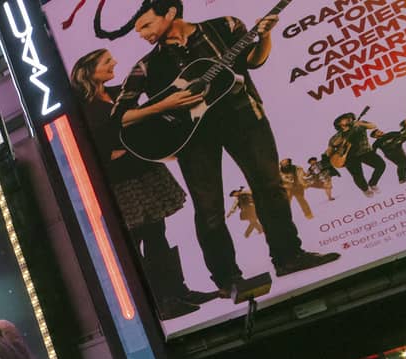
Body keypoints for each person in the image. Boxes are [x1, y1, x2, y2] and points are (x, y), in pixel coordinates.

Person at [106, 1, 339, 300]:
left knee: (270, 187)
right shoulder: (146, 66)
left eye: (146, 25)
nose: (141, 34)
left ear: (171, 13)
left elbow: (252, 61)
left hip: (244, 117)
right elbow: (119, 117)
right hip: (192, 136)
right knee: (209, 207)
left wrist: (265, 36)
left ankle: (289, 257)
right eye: (139, 30)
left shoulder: (226, 26)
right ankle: (227, 279)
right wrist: (165, 105)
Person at [70, 48, 216, 319]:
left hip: (142, 168)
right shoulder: (84, 107)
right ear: (89, 71)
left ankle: (176, 292)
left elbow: (140, 122)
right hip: (119, 180)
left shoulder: (116, 94)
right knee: (135, 240)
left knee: (157, 232)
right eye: (106, 61)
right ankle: (157, 301)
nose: (114, 62)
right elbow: (113, 127)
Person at [326, 113, 387, 194]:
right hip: (349, 157)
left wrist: (360, 123)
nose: (349, 119)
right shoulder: (338, 135)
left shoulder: (359, 124)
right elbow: (332, 144)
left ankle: (373, 183)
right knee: (358, 175)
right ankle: (365, 189)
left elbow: (373, 126)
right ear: (339, 124)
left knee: (381, 165)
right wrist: (345, 133)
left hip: (364, 151)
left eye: (349, 118)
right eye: (345, 118)